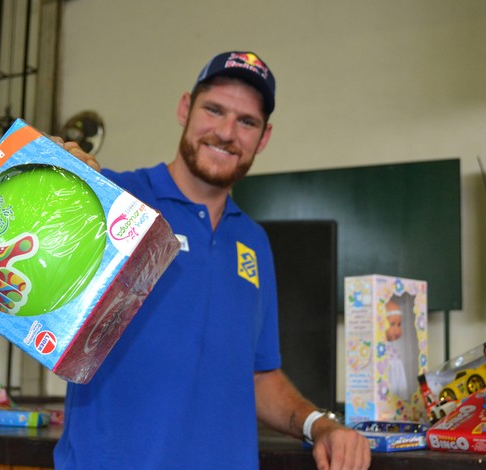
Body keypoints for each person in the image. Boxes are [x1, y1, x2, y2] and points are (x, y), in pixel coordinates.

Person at [54, 51, 371, 470]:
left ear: (264, 137)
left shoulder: (254, 242)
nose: (226, 132)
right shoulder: (116, 200)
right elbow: (18, 266)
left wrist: (322, 425)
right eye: (214, 109)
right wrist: (50, 183)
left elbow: (259, 376)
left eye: (247, 121)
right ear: (185, 108)